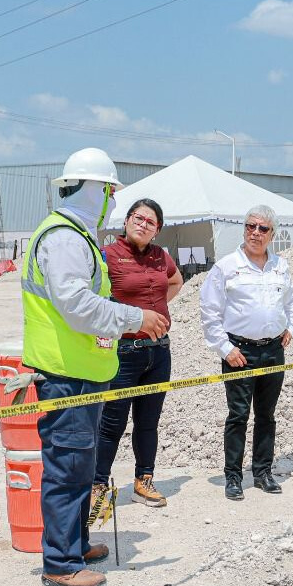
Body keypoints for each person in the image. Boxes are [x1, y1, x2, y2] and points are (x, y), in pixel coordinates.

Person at [22, 148, 168, 586]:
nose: (112, 201)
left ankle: (76, 544)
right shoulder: (65, 238)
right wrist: (134, 318)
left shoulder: (76, 235)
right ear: (97, 190)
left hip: (81, 372)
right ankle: (61, 563)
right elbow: (76, 306)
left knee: (81, 466)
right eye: (110, 191)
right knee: (67, 468)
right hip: (66, 375)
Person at [199, 205, 293, 501]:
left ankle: (263, 472)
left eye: (262, 228)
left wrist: (291, 327)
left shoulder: (280, 266)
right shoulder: (227, 267)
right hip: (239, 352)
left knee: (266, 415)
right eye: (250, 226)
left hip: (273, 351)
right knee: (238, 416)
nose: (255, 233)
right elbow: (209, 311)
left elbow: (292, 301)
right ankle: (233, 477)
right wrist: (225, 349)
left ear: (272, 234)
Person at [93, 198, 181, 510]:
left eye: (150, 222)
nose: (143, 225)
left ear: (157, 230)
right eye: (138, 218)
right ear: (127, 220)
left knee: (148, 422)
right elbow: (94, 298)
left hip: (159, 352)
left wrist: (157, 309)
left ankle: (143, 481)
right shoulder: (107, 254)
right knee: (111, 423)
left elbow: (176, 281)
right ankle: (97, 485)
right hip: (123, 353)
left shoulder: (161, 256)